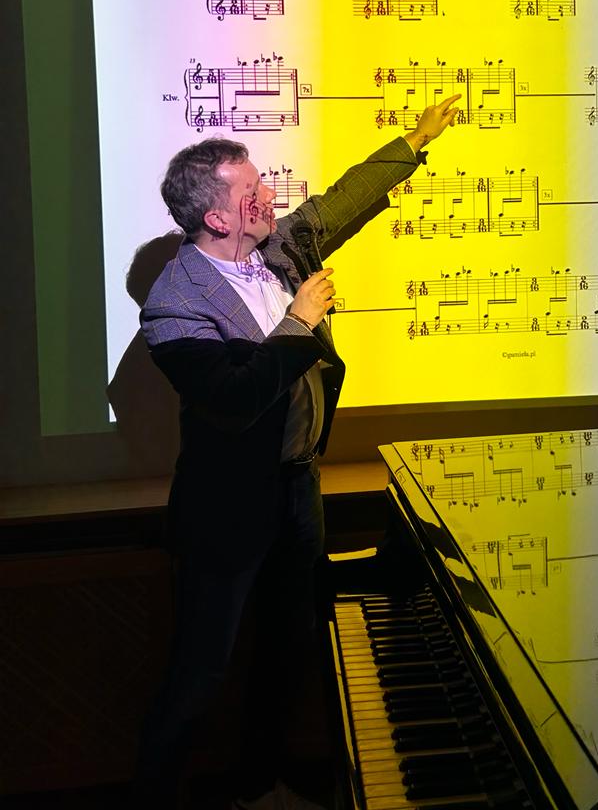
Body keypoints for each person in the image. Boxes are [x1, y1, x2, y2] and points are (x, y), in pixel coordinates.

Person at [134, 94, 460, 810]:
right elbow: (234, 399)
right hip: (227, 510)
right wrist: (299, 320)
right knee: (200, 673)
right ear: (217, 218)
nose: (270, 197)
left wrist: (414, 141)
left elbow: (340, 202)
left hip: (297, 492)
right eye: (251, 192)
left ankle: (264, 784)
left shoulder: (278, 248)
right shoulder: (173, 305)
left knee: (290, 649)